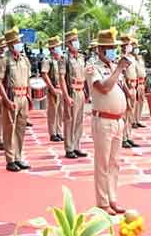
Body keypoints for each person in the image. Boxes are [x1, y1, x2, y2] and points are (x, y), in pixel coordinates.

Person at [87, 28, 129, 216]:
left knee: (114, 163)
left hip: (118, 120)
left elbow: (118, 87)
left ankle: (112, 198)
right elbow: (103, 88)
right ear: (100, 49)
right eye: (109, 48)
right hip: (103, 120)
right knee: (102, 163)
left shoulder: (113, 66)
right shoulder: (92, 68)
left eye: (113, 47)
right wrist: (119, 69)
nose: (112, 51)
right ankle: (102, 202)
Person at [0, 27, 32, 172]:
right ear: (10, 44)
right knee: (9, 129)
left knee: (20, 129)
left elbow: (28, 79)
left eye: (19, 41)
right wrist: (6, 100)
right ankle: (10, 159)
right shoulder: (4, 60)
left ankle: (18, 157)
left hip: (23, 97)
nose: (19, 44)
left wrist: (29, 96)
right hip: (12, 97)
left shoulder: (24, 59)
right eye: (17, 42)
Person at [60, 30, 88, 159]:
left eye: (77, 40)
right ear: (68, 44)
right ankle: (69, 148)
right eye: (73, 41)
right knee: (70, 120)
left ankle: (77, 146)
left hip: (81, 90)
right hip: (72, 92)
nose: (76, 43)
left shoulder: (81, 57)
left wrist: (86, 91)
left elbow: (84, 75)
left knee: (79, 121)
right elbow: (62, 78)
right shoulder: (65, 58)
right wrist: (66, 96)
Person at [40, 36, 64, 142]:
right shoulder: (47, 60)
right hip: (53, 88)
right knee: (52, 112)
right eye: (57, 46)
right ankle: (53, 133)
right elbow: (44, 74)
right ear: (52, 49)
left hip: (61, 88)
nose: (59, 48)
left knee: (60, 112)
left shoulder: (61, 59)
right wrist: (51, 87)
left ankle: (59, 131)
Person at [119, 33, 140, 148]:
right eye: (127, 45)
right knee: (124, 114)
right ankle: (123, 138)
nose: (129, 46)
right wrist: (127, 91)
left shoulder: (131, 58)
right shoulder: (121, 58)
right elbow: (121, 76)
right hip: (126, 88)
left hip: (133, 86)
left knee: (130, 114)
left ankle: (128, 136)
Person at [133, 46, 147, 128]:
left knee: (141, 102)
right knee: (135, 102)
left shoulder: (141, 59)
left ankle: (138, 119)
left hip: (142, 82)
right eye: (135, 48)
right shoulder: (132, 60)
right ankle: (133, 121)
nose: (137, 49)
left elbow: (143, 71)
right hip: (136, 82)